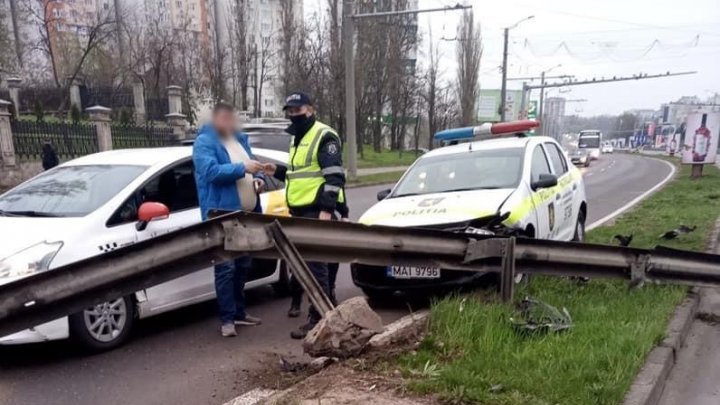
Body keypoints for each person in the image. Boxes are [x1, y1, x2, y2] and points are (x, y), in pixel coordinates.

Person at [263, 92, 347, 339]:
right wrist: (277, 171)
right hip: (301, 211)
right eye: (290, 110)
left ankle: (318, 319)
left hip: (316, 210)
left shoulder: (324, 135)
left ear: (310, 109)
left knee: (315, 266)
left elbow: (334, 177)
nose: (293, 115)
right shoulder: (298, 138)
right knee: (316, 264)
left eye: (297, 110)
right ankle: (328, 311)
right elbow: (299, 175)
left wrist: (326, 211)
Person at [193, 102, 264, 337]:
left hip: (247, 215)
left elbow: (253, 167)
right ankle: (227, 319)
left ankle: (239, 313)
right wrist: (242, 167)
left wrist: (258, 178)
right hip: (221, 215)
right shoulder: (205, 142)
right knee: (226, 268)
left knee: (243, 265)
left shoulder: (239, 139)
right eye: (224, 118)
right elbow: (211, 172)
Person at [287, 201, 349, 318]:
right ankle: (296, 301)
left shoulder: (331, 184)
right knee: (300, 264)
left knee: (331, 261)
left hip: (325, 214)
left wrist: (344, 213)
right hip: (302, 217)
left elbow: (336, 190)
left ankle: (329, 297)